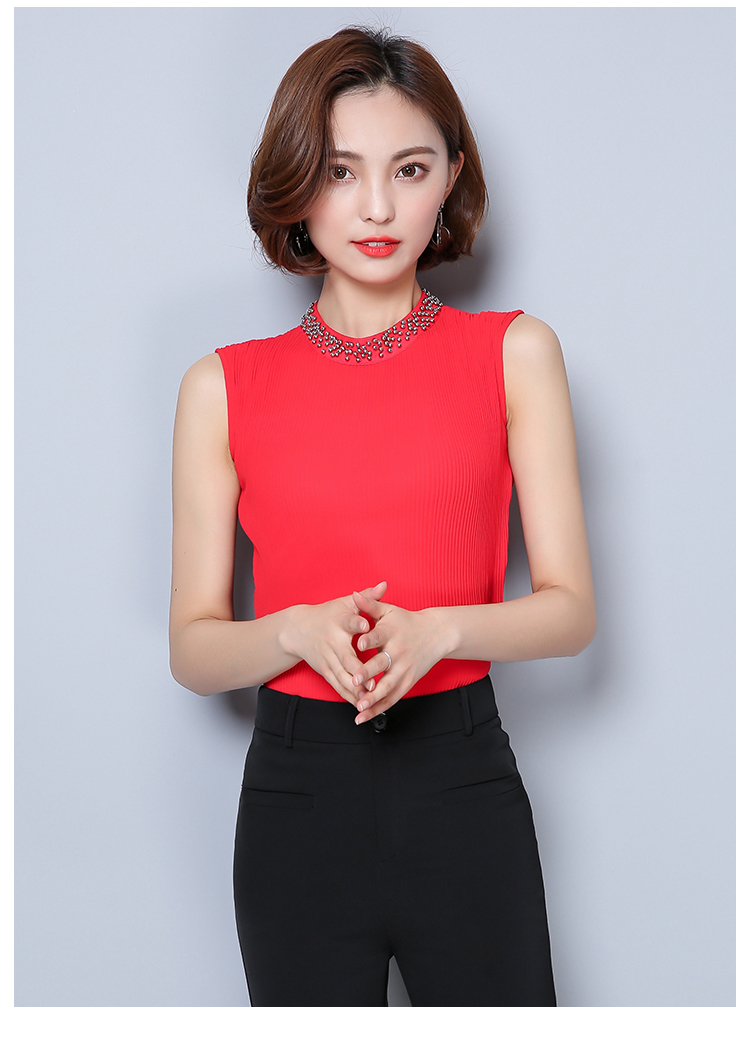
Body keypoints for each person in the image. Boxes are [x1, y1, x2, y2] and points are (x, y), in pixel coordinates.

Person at [169, 26, 596, 1007]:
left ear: (450, 177)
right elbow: (192, 650)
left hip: (463, 781)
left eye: (409, 169)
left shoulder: (515, 354)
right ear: (296, 185)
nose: (375, 207)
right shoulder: (221, 388)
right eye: (340, 171)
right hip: (296, 801)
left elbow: (572, 612)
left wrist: (442, 629)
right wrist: (291, 631)